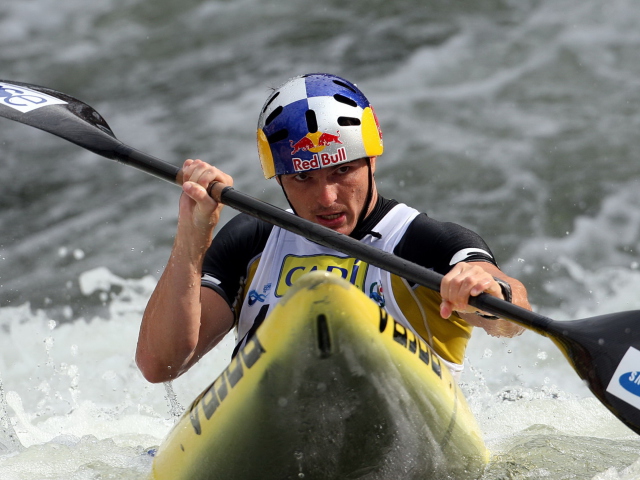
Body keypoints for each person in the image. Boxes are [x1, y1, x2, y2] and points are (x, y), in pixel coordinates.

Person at [136, 73, 530, 384]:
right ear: (278, 178)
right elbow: (161, 365)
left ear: (371, 160)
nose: (326, 198)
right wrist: (192, 237)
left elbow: (514, 316)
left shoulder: (426, 243)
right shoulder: (251, 240)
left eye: (342, 170)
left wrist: (489, 294)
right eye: (303, 178)